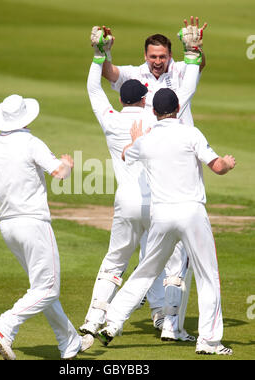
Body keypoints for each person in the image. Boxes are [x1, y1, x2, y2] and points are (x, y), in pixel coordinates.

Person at [79, 27, 200, 341]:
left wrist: (98, 53)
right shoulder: (160, 123)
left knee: (114, 263)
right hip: (161, 203)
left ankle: (93, 321)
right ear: (146, 99)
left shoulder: (109, 118)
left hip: (126, 203)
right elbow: (187, 92)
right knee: (172, 265)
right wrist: (192, 52)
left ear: (121, 98)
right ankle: (170, 326)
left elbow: (93, 89)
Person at [97, 88, 235, 355]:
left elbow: (126, 155)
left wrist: (135, 140)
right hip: (191, 212)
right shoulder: (190, 133)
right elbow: (217, 167)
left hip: (161, 215)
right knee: (208, 276)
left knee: (146, 271)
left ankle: (111, 323)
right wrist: (228, 163)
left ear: (154, 112)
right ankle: (208, 341)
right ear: (178, 107)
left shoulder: (146, 140)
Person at [0, 94, 94, 360]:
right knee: (47, 289)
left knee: (40, 287)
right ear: (25, 117)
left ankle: (69, 343)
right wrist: (67, 163)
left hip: (8, 227)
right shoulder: (31, 142)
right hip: (33, 223)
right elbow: (59, 173)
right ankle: (5, 325)